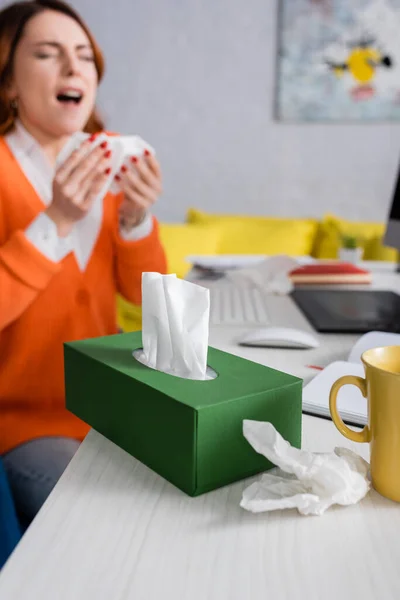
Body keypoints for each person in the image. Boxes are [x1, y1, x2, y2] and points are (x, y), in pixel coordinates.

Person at [0, 0, 167, 526]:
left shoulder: (111, 162)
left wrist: (136, 218)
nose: (74, 69)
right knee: (115, 523)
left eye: (85, 57)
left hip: (114, 413)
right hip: (25, 427)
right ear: (8, 83)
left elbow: (151, 303)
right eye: (48, 54)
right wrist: (57, 220)